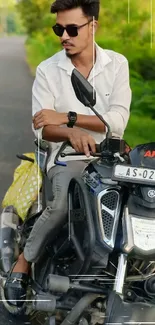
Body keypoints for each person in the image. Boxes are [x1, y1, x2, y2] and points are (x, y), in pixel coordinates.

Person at [4, 0, 132, 307]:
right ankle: (22, 265)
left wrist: (68, 118)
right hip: (67, 159)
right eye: (59, 29)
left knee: (141, 204)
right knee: (61, 204)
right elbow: (41, 127)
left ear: (93, 26)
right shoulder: (48, 70)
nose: (64, 36)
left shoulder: (117, 64)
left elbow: (117, 120)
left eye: (72, 28)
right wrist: (70, 133)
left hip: (109, 159)